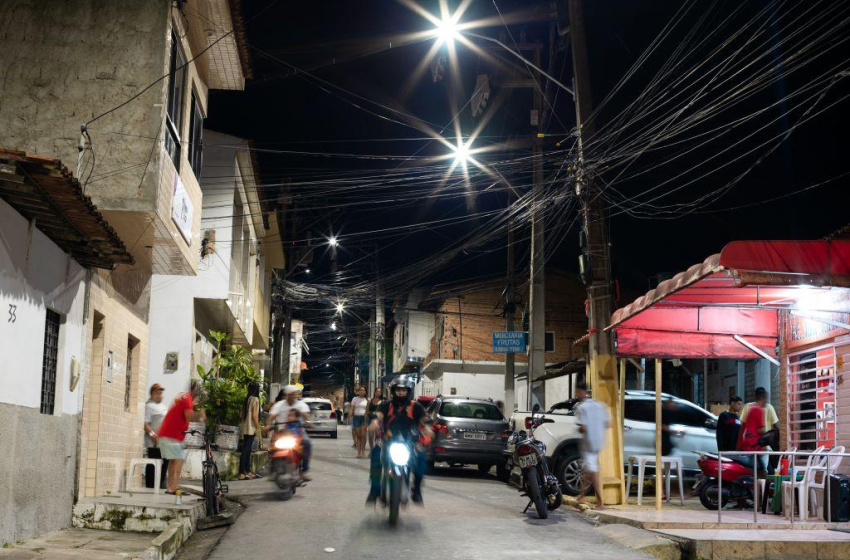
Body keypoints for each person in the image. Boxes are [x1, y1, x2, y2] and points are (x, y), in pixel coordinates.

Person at [366, 375, 431, 505]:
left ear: (408, 391)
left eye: (404, 390)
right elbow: (378, 415)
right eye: (398, 390)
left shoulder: (415, 406)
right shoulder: (385, 405)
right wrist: (374, 422)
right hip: (388, 441)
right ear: (393, 391)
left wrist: (428, 428)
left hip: (410, 443)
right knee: (375, 458)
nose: (401, 392)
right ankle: (375, 490)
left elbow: (424, 419)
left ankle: (416, 490)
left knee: (422, 460)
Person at [157, 380, 205, 494]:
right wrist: (201, 415)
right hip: (171, 435)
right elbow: (189, 416)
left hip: (167, 434)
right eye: (198, 393)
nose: (198, 396)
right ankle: (173, 488)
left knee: (174, 461)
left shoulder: (182, 395)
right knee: (178, 460)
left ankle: (171, 487)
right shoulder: (187, 398)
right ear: (195, 391)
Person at [574, 381, 611, 510]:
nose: (576, 394)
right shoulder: (600, 405)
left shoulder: (582, 407)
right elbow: (608, 424)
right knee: (588, 469)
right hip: (599, 441)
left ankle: (600, 503)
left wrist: (578, 430)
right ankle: (581, 495)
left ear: (580, 392)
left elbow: (583, 427)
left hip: (588, 442)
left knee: (593, 471)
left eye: (577, 391)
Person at [267, 385, 313, 481]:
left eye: (294, 394)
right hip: (281, 432)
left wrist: (308, 422)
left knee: (307, 443)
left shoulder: (301, 405)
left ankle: (304, 471)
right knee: (272, 445)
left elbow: (306, 416)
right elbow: (271, 416)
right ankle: (272, 469)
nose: (292, 396)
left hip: (297, 432)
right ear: (286, 395)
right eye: (290, 394)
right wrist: (268, 425)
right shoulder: (279, 405)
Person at [736, 387, 769, 474]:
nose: (767, 401)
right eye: (766, 399)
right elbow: (761, 430)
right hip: (754, 444)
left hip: (748, 443)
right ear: (763, 398)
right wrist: (766, 444)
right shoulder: (759, 410)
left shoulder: (751, 408)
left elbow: (743, 426)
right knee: (764, 469)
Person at [144, 384, 168, 489]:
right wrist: (152, 434)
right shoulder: (148, 406)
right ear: (152, 394)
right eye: (157, 393)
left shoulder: (163, 407)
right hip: (153, 442)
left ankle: (161, 484)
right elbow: (145, 424)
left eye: (160, 393)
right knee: (153, 463)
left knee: (165, 462)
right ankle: (150, 486)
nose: (159, 395)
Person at [238, 381, 261, 481]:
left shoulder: (247, 399)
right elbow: (255, 416)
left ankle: (248, 471)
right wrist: (258, 428)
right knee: (246, 450)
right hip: (251, 427)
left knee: (247, 450)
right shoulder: (255, 399)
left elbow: (240, 415)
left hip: (245, 426)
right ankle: (241, 473)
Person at [350, 386, 369, 458]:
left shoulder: (367, 400)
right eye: (361, 390)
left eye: (363, 390)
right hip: (356, 418)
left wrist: (365, 420)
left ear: (365, 392)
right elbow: (352, 407)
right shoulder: (355, 399)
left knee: (363, 436)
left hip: (363, 418)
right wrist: (349, 415)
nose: (362, 391)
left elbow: (367, 411)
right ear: (358, 392)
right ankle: (359, 452)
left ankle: (363, 451)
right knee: (358, 436)